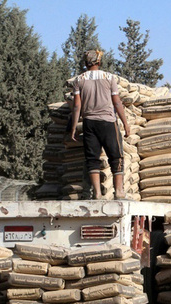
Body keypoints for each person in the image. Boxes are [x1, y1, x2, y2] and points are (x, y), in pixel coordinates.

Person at [70, 50, 130, 200]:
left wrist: (73, 127)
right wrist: (125, 123)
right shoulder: (109, 78)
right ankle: (119, 192)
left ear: (85, 63)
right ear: (99, 62)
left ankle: (97, 193)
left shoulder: (79, 80)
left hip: (89, 123)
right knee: (116, 156)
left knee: (92, 159)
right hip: (108, 122)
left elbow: (77, 106)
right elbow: (116, 102)